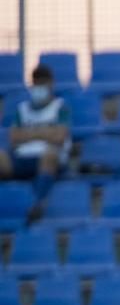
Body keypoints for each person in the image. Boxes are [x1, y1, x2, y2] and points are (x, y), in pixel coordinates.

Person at [0, 64, 70, 219]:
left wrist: (28, 134)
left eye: (43, 83)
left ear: (51, 84)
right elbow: (13, 137)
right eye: (36, 83)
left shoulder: (60, 107)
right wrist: (45, 132)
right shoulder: (22, 109)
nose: (39, 87)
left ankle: (36, 204)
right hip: (22, 157)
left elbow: (59, 137)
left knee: (50, 155)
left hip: (47, 158)